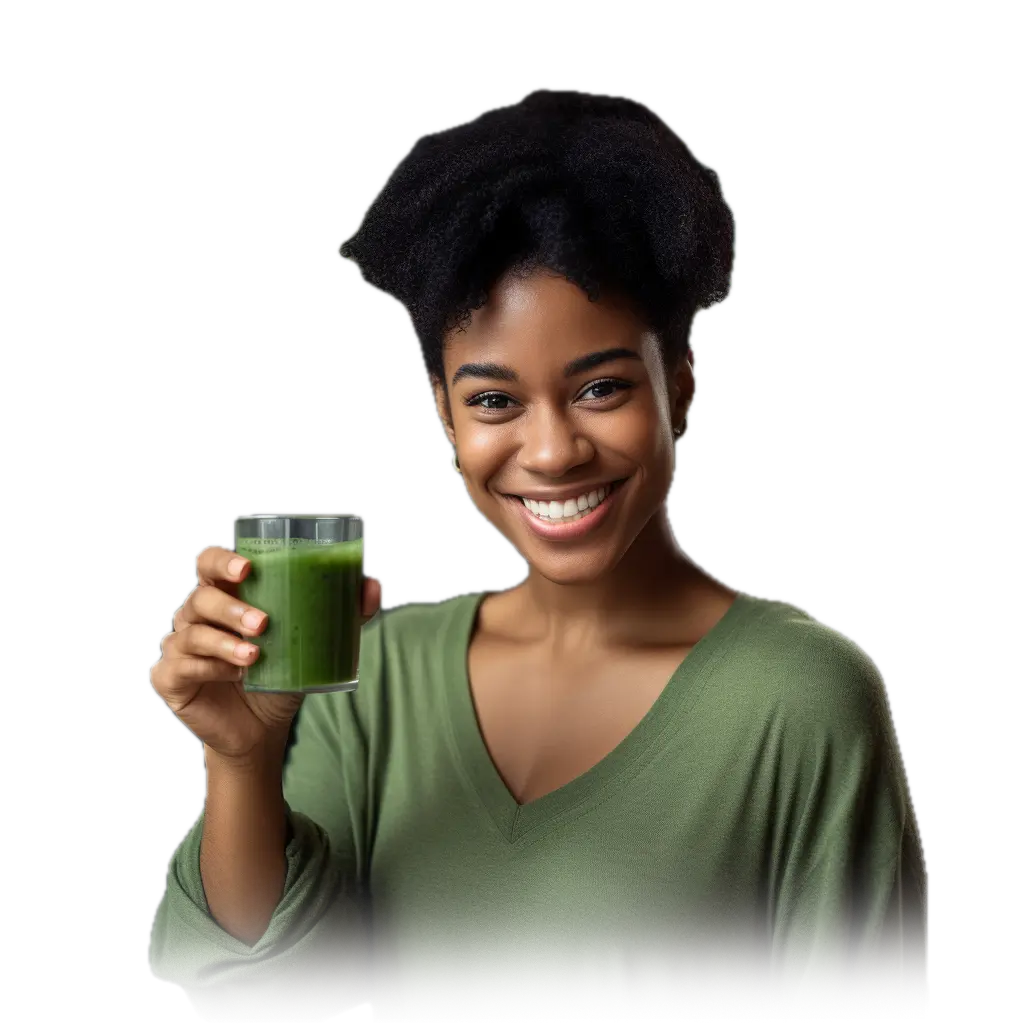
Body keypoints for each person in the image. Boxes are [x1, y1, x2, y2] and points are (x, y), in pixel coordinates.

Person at [148, 87, 927, 1020]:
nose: (552, 450)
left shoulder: (802, 701)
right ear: (444, 414)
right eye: (493, 401)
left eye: (600, 387)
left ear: (680, 385)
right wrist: (242, 759)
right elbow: (268, 997)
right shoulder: (374, 677)